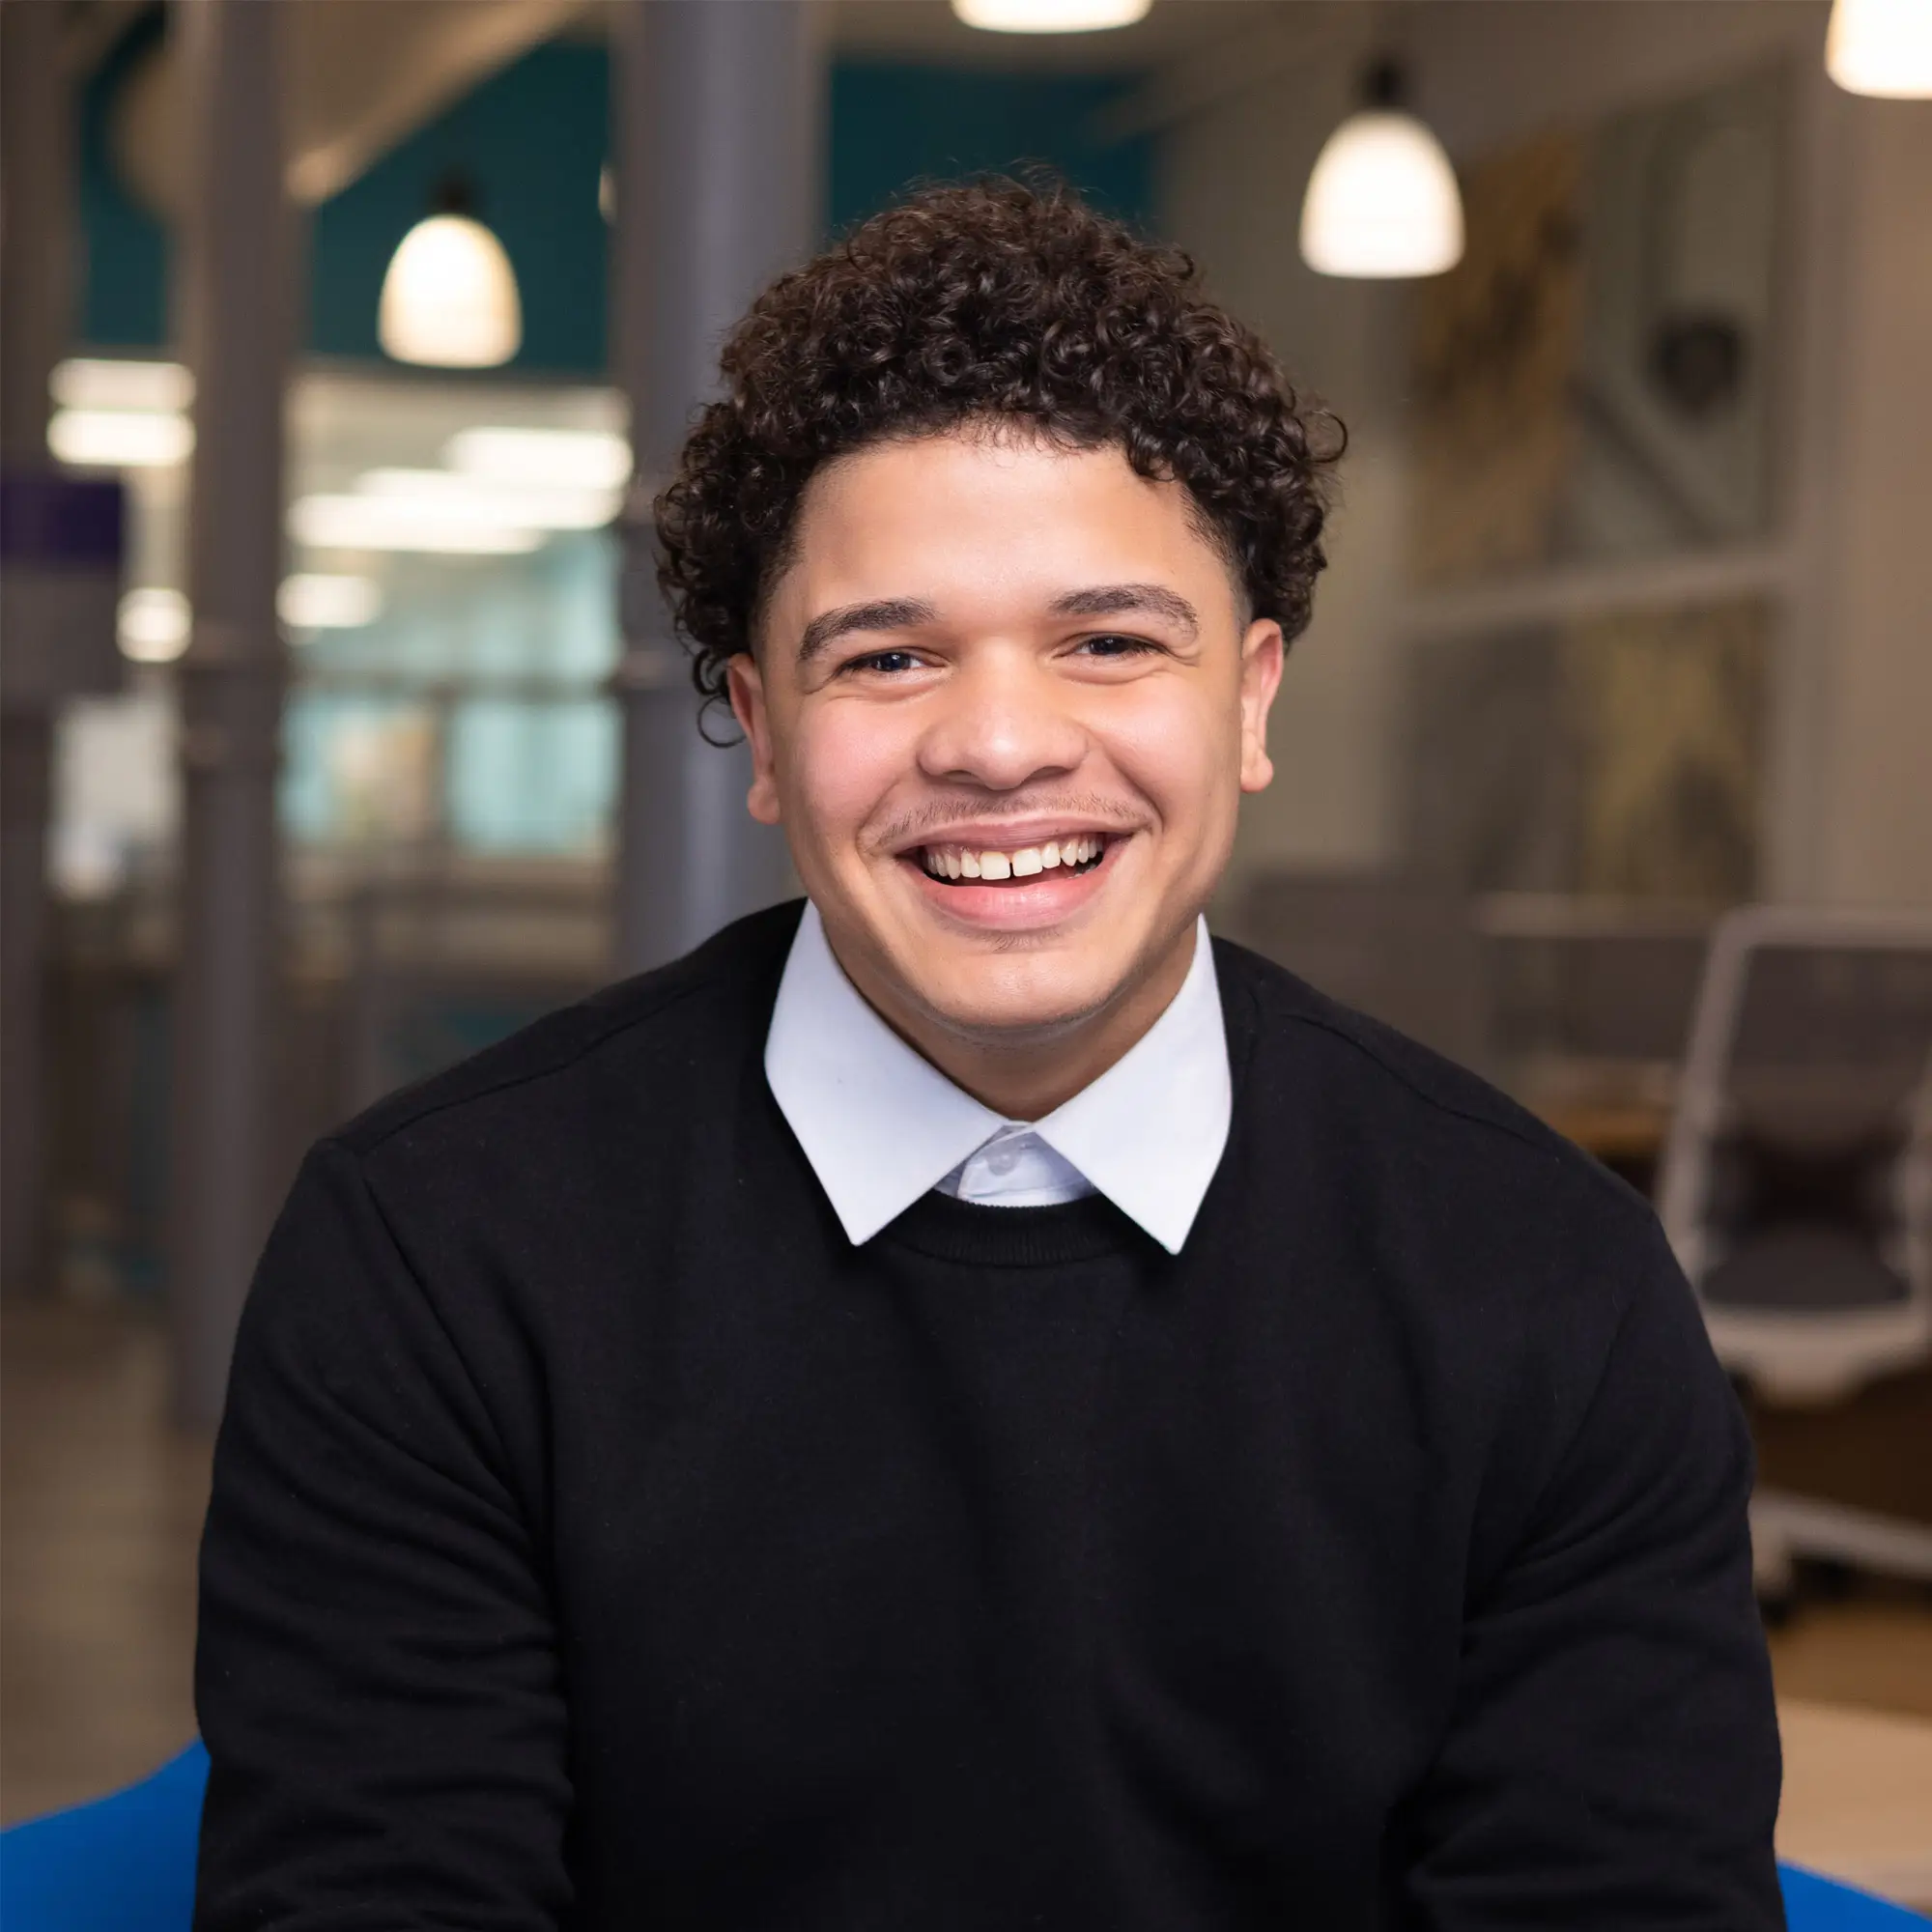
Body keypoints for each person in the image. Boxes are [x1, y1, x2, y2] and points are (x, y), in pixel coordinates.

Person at [195, 180, 1781, 1930]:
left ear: (1250, 701)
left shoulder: (1545, 1282)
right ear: (768, 734)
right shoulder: (433, 1256)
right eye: (888, 656)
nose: (1004, 745)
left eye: (1109, 642)